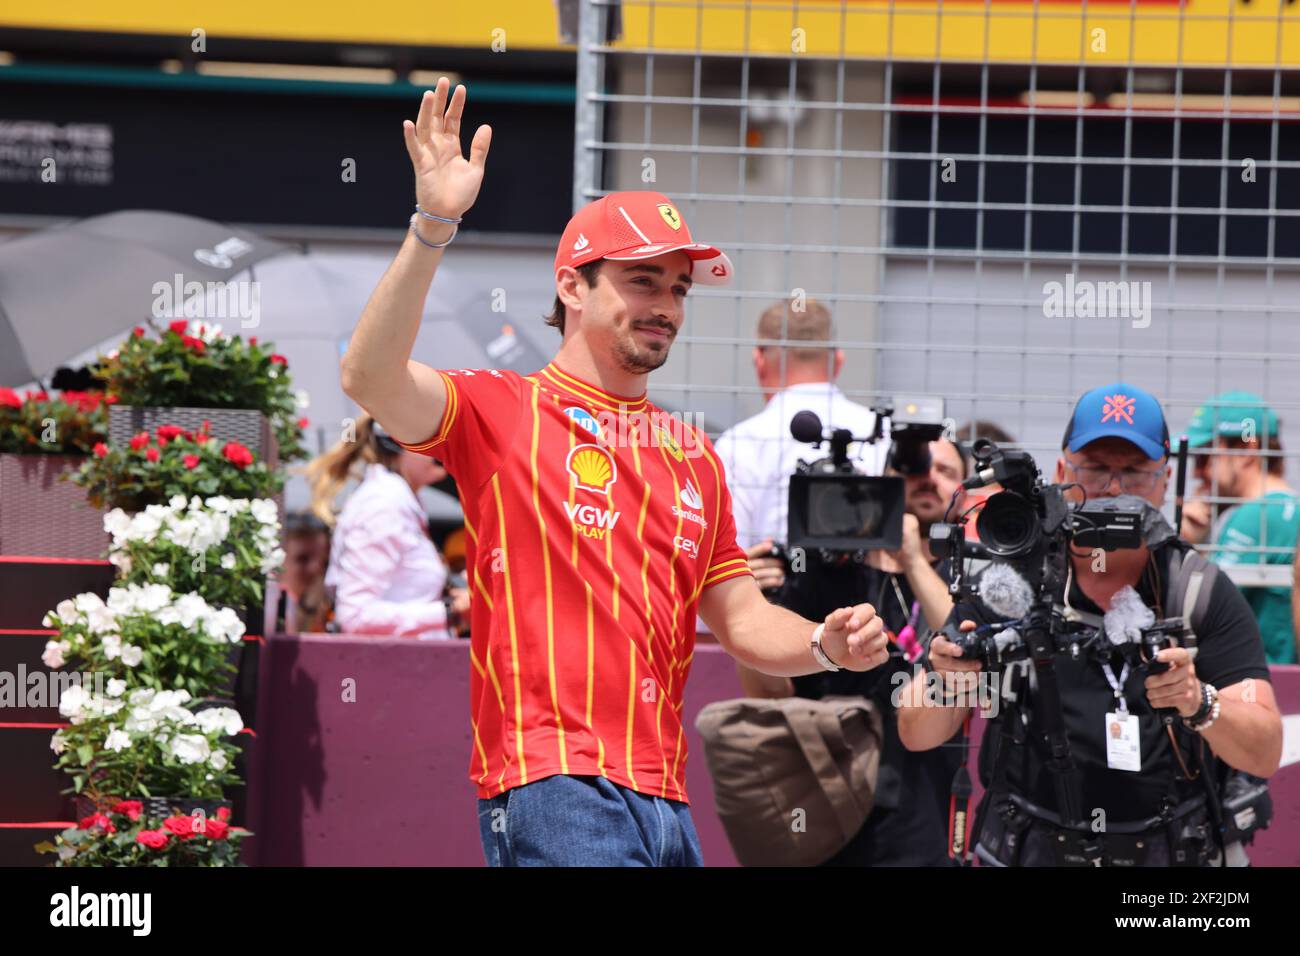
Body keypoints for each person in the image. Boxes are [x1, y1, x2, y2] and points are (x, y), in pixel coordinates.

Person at [339, 78, 889, 867]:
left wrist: (828, 645)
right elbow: (368, 377)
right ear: (572, 285)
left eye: (677, 287)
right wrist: (434, 226)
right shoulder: (502, 409)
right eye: (641, 280)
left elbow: (740, 621)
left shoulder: (694, 452)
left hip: (665, 798)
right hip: (551, 782)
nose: (665, 303)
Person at [899, 382, 1283, 866]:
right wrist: (950, 685)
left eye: (1136, 472)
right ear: (1062, 472)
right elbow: (916, 732)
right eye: (1096, 469)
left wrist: (1198, 701)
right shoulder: (1011, 583)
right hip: (1029, 846)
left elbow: (1264, 751)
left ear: (1165, 480)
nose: (1115, 488)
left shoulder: (1198, 591)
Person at [729, 432, 969, 866]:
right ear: (883, 483)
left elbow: (960, 638)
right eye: (912, 470)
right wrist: (752, 607)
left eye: (945, 471)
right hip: (819, 803)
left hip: (920, 811)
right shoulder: (825, 571)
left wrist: (912, 558)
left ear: (963, 493)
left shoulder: (964, 575)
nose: (928, 479)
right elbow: (769, 696)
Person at [713, 298, 887, 552]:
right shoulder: (880, 431)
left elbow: (731, 553)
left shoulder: (741, 441)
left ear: (759, 360)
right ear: (838, 360)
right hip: (872, 588)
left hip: (769, 589)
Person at [308, 413, 468, 639]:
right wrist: (450, 612)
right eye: (432, 435)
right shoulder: (382, 505)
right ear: (396, 443)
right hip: (391, 669)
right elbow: (355, 616)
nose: (442, 444)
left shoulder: (396, 501)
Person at [1178, 391, 1298, 664]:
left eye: (1204, 458)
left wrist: (1187, 544)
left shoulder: (1260, 515)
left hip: (1256, 682)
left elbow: (1200, 609)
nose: (1196, 472)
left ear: (1246, 450)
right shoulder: (1287, 510)